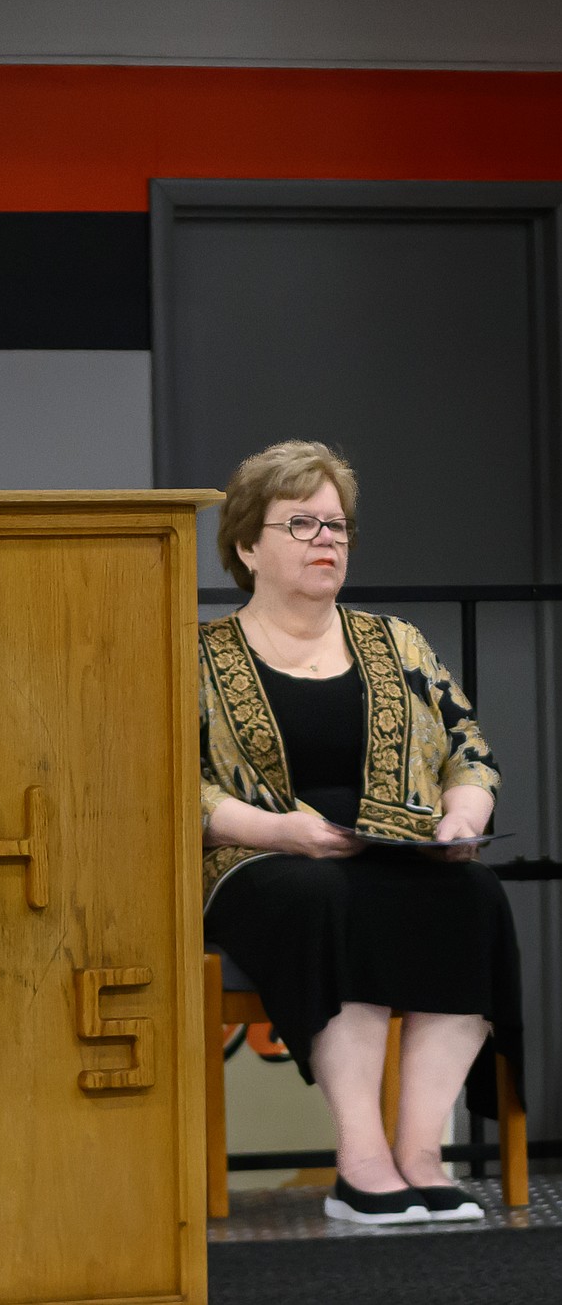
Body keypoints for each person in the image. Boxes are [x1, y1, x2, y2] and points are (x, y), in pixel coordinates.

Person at [198, 439, 522, 1226]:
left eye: (337, 526)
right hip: (259, 857)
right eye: (302, 524)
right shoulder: (198, 656)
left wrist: (463, 816)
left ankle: (419, 1156)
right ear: (248, 545)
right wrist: (281, 830)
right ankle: (361, 1163)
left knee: (472, 894)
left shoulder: (397, 642)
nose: (326, 541)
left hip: (394, 844)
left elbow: (468, 750)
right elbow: (176, 788)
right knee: (324, 892)